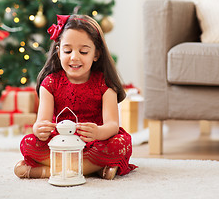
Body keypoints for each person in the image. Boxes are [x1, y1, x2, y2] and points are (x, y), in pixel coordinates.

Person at [14, 14, 137, 180]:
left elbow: (113, 125)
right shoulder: (50, 83)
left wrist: (98, 132)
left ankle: (49, 171)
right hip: (60, 143)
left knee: (121, 143)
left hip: (94, 143)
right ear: (58, 52)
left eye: (84, 51)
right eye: (67, 50)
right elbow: (41, 123)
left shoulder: (104, 84)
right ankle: (93, 169)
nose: (74, 57)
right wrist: (39, 130)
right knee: (27, 143)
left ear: (96, 54)